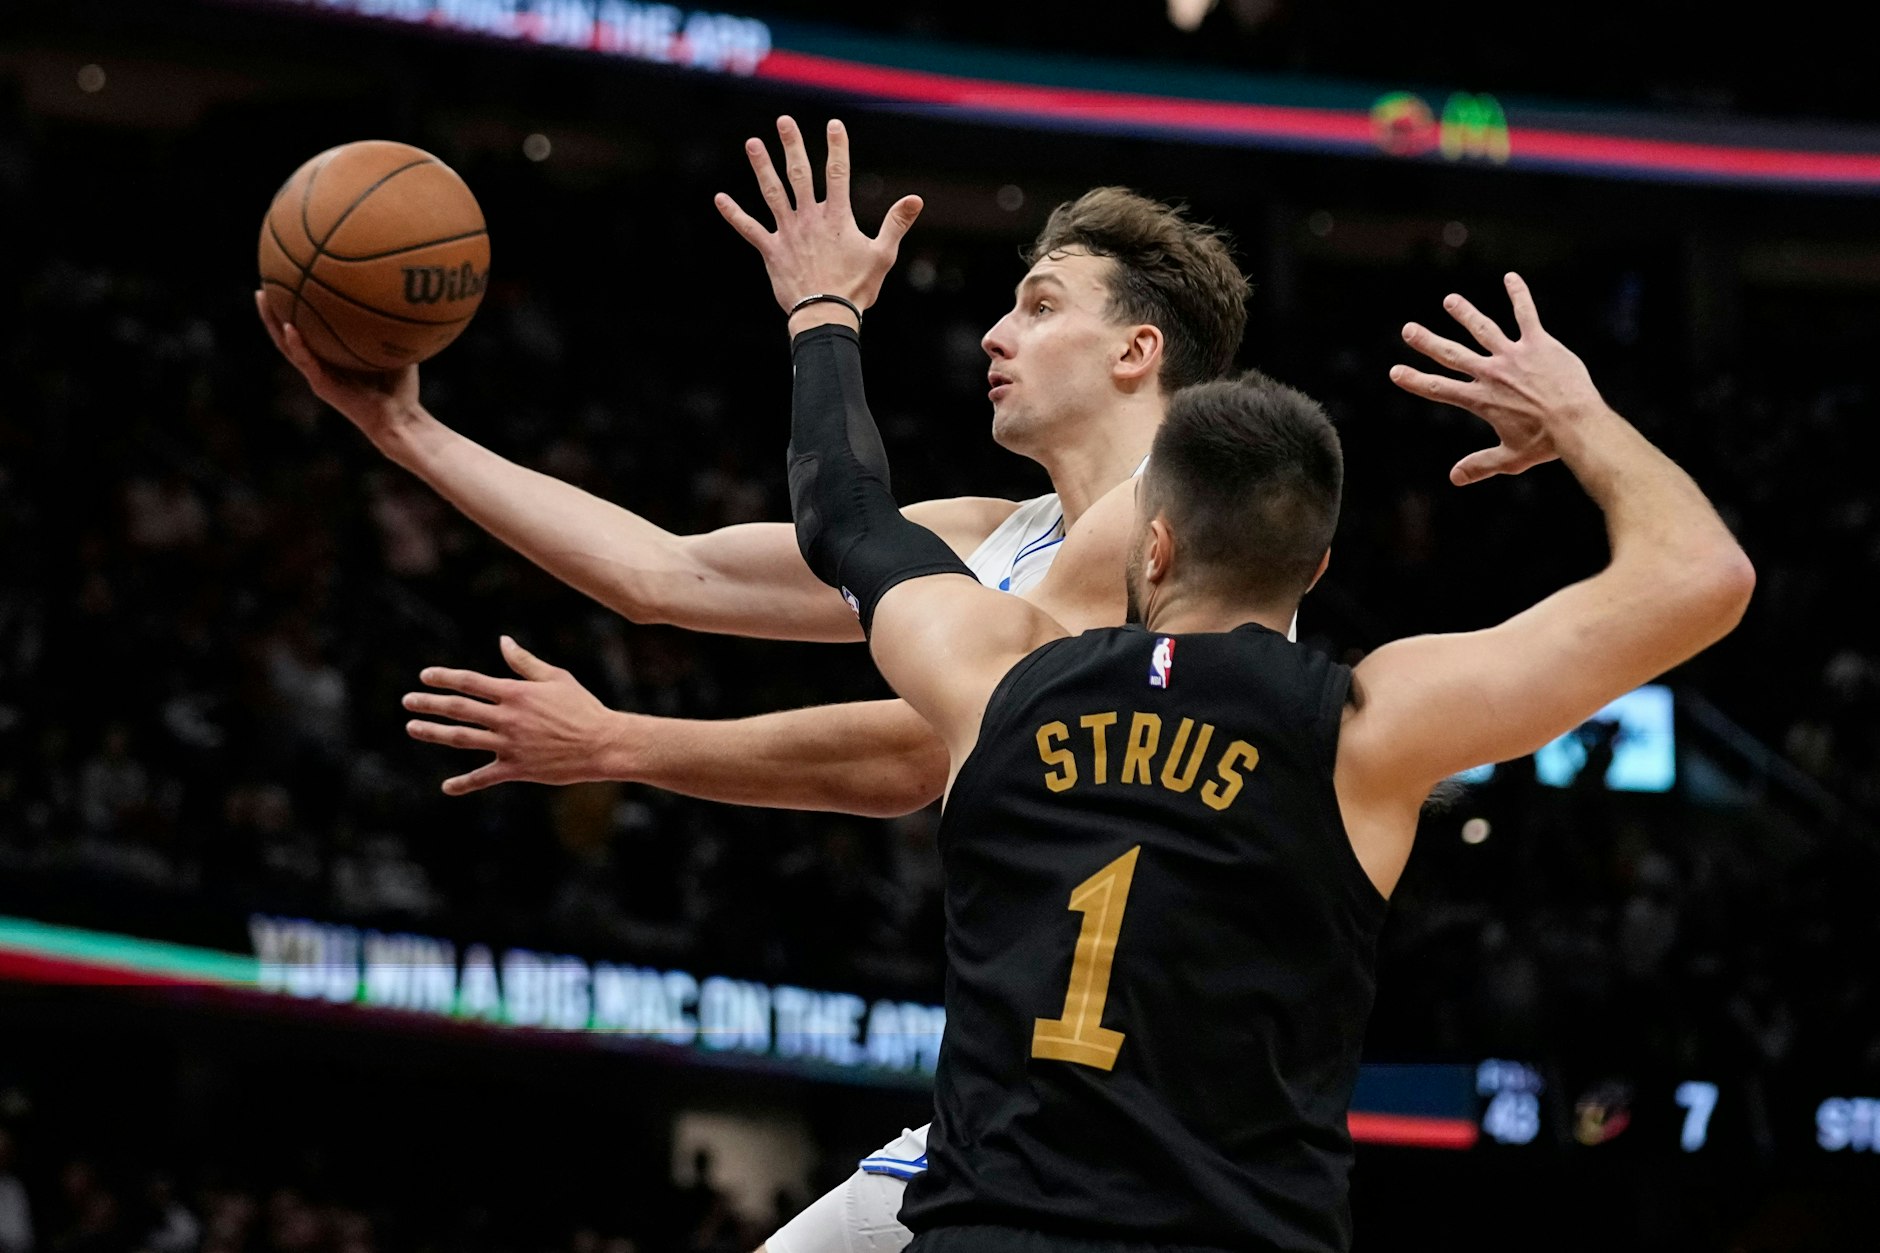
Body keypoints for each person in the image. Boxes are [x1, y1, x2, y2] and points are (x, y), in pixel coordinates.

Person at [738, 121, 1754, 1251]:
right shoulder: (1363, 729)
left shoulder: (997, 673)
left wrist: (822, 312)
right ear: (1313, 564)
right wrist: (1574, 416)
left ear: (1151, 545)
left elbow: (841, 510)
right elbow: (1699, 575)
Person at [253, 116, 1249, 819]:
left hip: (1158, 1080)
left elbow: (922, 746)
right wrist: (406, 432)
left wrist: (621, 742)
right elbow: (668, 573)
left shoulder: (1186, 520)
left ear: (1135, 351)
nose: (993, 336)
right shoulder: (996, 536)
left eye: (1039, 306)